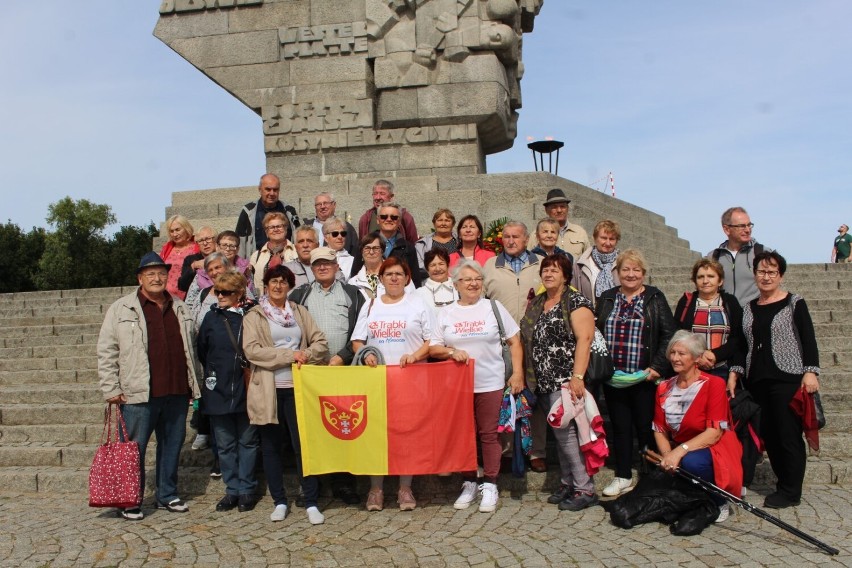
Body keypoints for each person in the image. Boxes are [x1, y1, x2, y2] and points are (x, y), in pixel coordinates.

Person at [97, 252, 201, 520]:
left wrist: (194, 384)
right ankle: (130, 499)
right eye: (151, 273)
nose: (157, 278)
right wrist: (111, 388)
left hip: (177, 391)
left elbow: (192, 348)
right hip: (138, 392)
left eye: (161, 273)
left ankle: (168, 494)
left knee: (171, 445)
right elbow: (107, 350)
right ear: (140, 278)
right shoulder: (121, 308)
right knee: (134, 448)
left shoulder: (180, 306)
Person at [429, 260, 523, 513]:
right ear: (456, 284)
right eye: (467, 280)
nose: (473, 284)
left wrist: (517, 374)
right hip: (458, 386)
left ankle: (490, 483)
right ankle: (469, 481)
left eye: (477, 279)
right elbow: (434, 347)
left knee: (489, 434)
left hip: (490, 381)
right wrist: (451, 351)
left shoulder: (493, 307)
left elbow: (515, 342)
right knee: (464, 435)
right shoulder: (447, 312)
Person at [728, 251, 820, 509]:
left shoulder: (794, 303)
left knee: (787, 434)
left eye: (772, 272)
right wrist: (735, 372)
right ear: (754, 274)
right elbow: (740, 345)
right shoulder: (748, 308)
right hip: (757, 380)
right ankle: (783, 483)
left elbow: (808, 338)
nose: (766, 277)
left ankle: (790, 490)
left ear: (780, 275)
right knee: (769, 433)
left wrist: (811, 371)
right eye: (761, 272)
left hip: (787, 378)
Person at [243, 265, 330, 525]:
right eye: (273, 281)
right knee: (271, 448)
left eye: (283, 281)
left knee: (303, 446)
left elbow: (320, 343)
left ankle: (311, 501)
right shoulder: (254, 315)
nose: (278, 286)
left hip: (299, 389)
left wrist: (305, 355)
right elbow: (253, 351)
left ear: (289, 285)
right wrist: (288, 355)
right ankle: (279, 501)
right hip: (268, 390)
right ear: (266, 285)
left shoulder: (300, 312)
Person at [351, 257, 434, 512]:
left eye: (399, 273)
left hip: (410, 381)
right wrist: (366, 354)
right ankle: (376, 489)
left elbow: (432, 340)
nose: (394, 278)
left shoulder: (418, 304)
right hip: (377, 382)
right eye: (389, 274)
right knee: (376, 435)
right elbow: (357, 340)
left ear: (407, 278)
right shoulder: (371, 305)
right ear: (381, 278)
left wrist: (416, 356)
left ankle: (404, 488)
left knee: (406, 436)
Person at [520, 254, 599, 511]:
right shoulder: (538, 302)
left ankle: (585, 487)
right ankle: (568, 482)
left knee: (566, 436)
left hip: (564, 380)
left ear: (566, 275)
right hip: (542, 380)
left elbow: (585, 339)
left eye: (554, 270)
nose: (549, 274)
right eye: (545, 270)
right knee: (559, 433)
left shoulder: (576, 301)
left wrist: (577, 377)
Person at [289, 247, 366, 506]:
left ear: (337, 266)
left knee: (343, 428)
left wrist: (342, 356)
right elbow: (291, 332)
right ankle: (310, 485)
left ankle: (344, 483)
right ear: (311, 267)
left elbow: (360, 330)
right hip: (311, 373)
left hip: (342, 371)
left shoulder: (353, 293)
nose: (322, 267)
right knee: (312, 430)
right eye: (317, 264)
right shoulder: (300, 295)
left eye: (327, 263)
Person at [595, 249, 677, 497]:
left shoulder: (654, 297)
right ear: (617, 273)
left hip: (645, 377)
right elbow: (597, 332)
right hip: (614, 378)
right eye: (626, 270)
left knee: (645, 427)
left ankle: (648, 475)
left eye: (636, 270)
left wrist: (657, 367)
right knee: (620, 427)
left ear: (643, 273)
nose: (631, 275)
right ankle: (622, 475)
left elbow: (668, 334)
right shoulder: (608, 297)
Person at [654, 331, 743, 523]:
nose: (675, 358)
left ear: (696, 358)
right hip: (681, 445)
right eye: (673, 353)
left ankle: (719, 500)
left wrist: (678, 452)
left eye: (681, 354)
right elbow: (659, 428)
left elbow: (714, 432)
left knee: (692, 462)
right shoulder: (663, 387)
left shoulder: (714, 384)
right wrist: (668, 454)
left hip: (714, 445)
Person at [481, 220, 547, 472]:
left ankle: (537, 452)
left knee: (534, 397)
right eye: (506, 236)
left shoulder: (540, 265)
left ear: (526, 239)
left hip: (534, 341)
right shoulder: (490, 266)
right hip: (503, 344)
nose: (510, 241)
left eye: (516, 237)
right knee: (504, 397)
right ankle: (508, 451)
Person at [197, 271, 260, 513]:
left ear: (239, 293)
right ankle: (231, 489)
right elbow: (203, 349)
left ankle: (246, 489)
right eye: (217, 291)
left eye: (226, 292)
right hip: (218, 388)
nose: (220, 296)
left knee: (248, 441)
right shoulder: (211, 318)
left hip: (246, 386)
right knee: (224, 444)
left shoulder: (253, 315)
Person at [673, 259, 744, 379]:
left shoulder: (730, 302)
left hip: (723, 368)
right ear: (695, 281)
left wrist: (714, 354)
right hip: (692, 369)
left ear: (720, 280)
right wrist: (699, 355)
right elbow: (678, 334)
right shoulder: (686, 301)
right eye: (700, 277)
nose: (705, 281)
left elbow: (737, 338)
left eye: (711, 276)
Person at [708, 206, 772, 305]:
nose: (747, 230)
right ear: (727, 229)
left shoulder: (763, 253)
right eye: (742, 226)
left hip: (754, 316)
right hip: (724, 317)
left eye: (749, 225)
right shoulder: (713, 257)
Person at [236, 173, 300, 259]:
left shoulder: (289, 211)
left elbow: (298, 238)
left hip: (287, 263)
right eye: (268, 189)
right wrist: (242, 268)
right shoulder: (248, 211)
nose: (272, 193)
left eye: (275, 190)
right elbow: (240, 242)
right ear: (260, 190)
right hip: (257, 264)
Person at [349, 231, 415, 300]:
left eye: (376, 248)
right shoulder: (353, 282)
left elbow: (413, 299)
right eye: (367, 248)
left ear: (382, 251)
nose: (371, 252)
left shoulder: (399, 275)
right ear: (361, 252)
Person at [572, 219, 621, 308]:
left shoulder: (623, 264)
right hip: (587, 316)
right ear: (595, 238)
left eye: (612, 239)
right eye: (603, 238)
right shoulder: (579, 264)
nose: (608, 243)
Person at [371, 202, 421, 287]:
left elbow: (415, 280)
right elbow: (356, 274)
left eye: (394, 217)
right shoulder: (366, 245)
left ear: (399, 221)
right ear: (377, 220)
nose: (389, 219)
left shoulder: (408, 248)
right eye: (384, 217)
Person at [530, 189, 590, 259]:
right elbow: (529, 262)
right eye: (554, 207)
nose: (559, 210)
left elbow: (588, 260)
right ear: (546, 210)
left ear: (567, 208)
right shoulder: (535, 235)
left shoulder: (580, 232)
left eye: (562, 206)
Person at [250, 212, 297, 296]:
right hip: (264, 302)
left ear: (286, 229)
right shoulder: (256, 255)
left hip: (290, 299)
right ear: (266, 232)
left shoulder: (296, 251)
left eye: (279, 226)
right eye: (271, 227)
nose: (276, 229)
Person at [159, 215, 200, 300]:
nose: (175, 234)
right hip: (166, 296)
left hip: (188, 296)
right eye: (171, 231)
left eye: (178, 230)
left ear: (186, 228)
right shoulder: (167, 248)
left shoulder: (197, 247)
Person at [415, 209, 458, 281]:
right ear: (434, 223)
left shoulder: (461, 242)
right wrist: (439, 273)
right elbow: (419, 265)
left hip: (456, 282)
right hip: (431, 283)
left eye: (447, 220)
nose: (443, 223)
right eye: (440, 220)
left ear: (453, 224)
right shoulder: (422, 244)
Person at [413, 249, 459, 317]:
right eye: (433, 265)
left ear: (448, 265)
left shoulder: (459, 289)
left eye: (441, 264)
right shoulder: (418, 294)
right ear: (427, 269)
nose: (437, 269)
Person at [177, 226, 217, 294]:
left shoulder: (222, 258)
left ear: (215, 240)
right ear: (197, 244)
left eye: (208, 239)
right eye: (200, 241)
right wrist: (193, 267)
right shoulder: (190, 259)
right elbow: (182, 286)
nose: (205, 243)